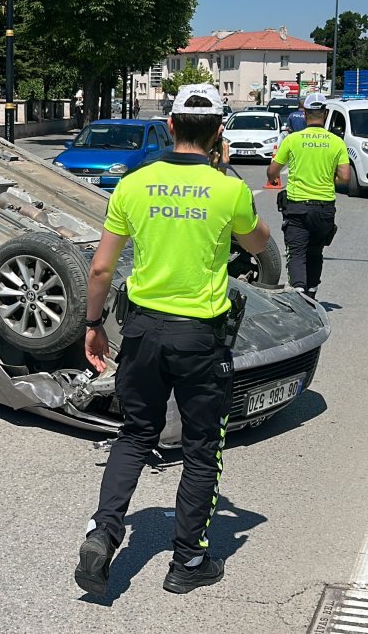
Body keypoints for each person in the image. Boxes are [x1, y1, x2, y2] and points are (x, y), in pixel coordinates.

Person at [74, 84, 271, 597]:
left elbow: (100, 267)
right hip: (199, 337)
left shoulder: (134, 185)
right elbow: (260, 244)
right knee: (202, 448)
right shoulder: (228, 190)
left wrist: (93, 325)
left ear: (169, 127)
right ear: (218, 134)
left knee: (136, 435)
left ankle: (103, 533)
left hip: (142, 331)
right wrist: (221, 172)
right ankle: (188, 561)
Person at [266, 93, 350, 299]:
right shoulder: (336, 142)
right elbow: (345, 177)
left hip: (298, 207)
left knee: (296, 253)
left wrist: (276, 175)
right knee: (315, 252)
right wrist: (328, 180)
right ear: (326, 113)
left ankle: (299, 292)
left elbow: (272, 172)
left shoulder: (292, 139)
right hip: (324, 208)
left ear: (304, 114)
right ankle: (311, 292)